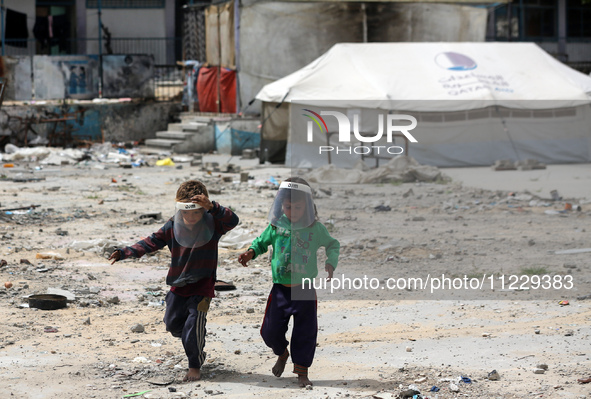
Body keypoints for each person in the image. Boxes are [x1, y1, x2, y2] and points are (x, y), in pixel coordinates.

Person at [108, 180, 239, 382]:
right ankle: (192, 338)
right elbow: (150, 242)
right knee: (172, 324)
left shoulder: (213, 223)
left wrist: (212, 206)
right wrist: (125, 253)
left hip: (202, 285)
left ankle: (195, 364)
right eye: (186, 212)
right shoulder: (172, 225)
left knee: (193, 326)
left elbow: (233, 220)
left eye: (197, 212)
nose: (191, 217)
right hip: (178, 285)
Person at [238, 177, 340, 387]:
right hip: (280, 289)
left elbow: (332, 244)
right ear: (280, 205)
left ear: (309, 207)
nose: (292, 211)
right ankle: (282, 353)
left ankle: (302, 373)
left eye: (298, 207)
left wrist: (331, 262)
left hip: (303, 289)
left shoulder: (315, 228)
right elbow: (261, 242)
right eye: (287, 206)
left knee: (305, 331)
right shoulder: (276, 226)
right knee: (270, 332)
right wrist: (250, 253)